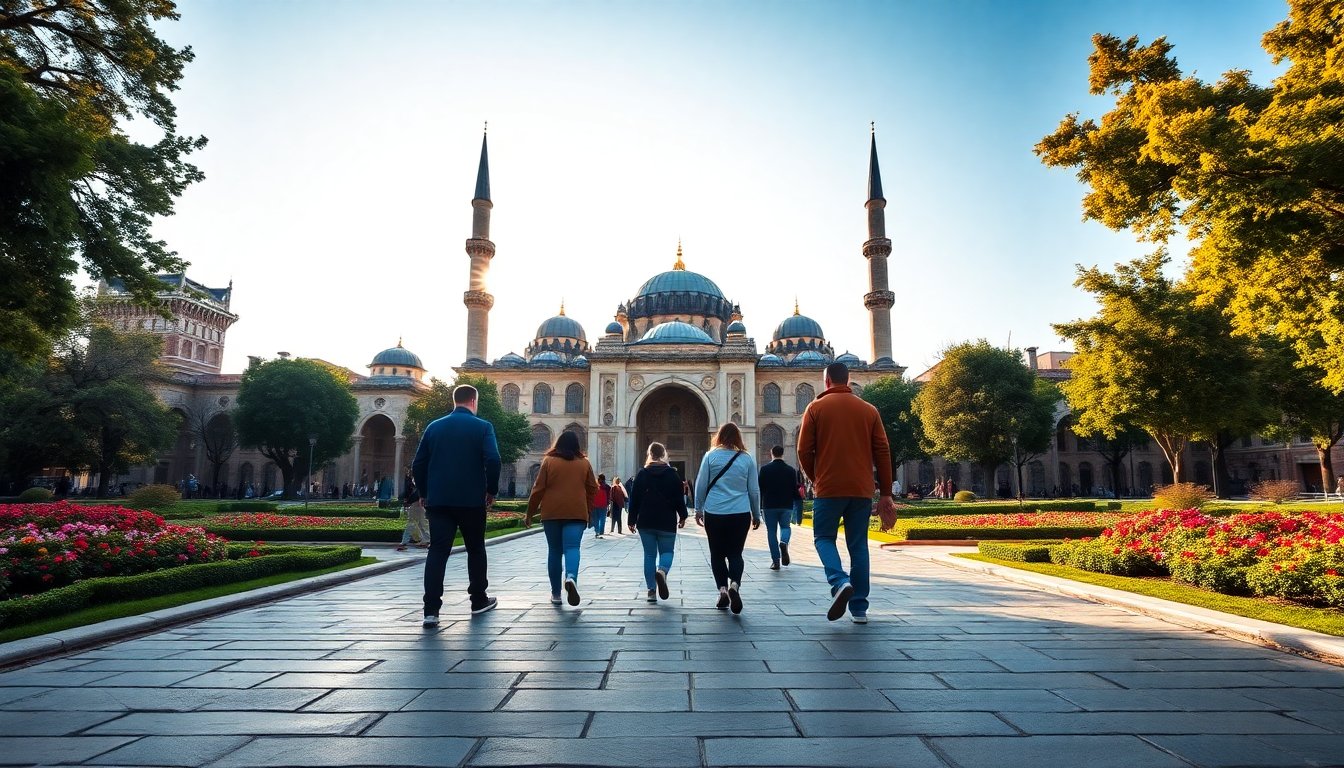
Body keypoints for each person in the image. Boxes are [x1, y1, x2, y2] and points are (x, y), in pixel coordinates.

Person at [798, 361, 896, 624]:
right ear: (849, 379)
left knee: (823, 538)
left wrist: (815, 478)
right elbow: (883, 452)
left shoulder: (815, 407)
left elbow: (803, 451)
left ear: (827, 381)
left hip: (829, 488)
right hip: (861, 490)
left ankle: (839, 581)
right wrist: (886, 492)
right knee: (858, 545)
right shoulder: (869, 410)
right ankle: (860, 608)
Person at [411, 383, 501, 624]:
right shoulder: (483, 427)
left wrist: (424, 491)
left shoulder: (434, 427)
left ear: (455, 400)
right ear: (474, 401)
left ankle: (431, 610)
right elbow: (493, 460)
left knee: (438, 551)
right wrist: (491, 490)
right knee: (475, 549)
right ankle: (478, 600)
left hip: (439, 500)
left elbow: (418, 464)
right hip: (472, 500)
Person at [525, 430, 597, 606]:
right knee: (572, 548)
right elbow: (592, 490)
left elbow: (538, 489)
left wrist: (529, 513)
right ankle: (571, 577)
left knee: (555, 551)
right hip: (576, 512)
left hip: (552, 513)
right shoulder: (584, 463)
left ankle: (556, 594)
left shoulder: (548, 461)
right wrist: (589, 512)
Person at [694, 422, 760, 615]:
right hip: (740, 513)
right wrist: (756, 514)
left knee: (717, 553)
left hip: (715, 513)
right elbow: (754, 491)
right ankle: (735, 585)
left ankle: (722, 590)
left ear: (719, 437)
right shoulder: (747, 459)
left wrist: (698, 509)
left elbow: (701, 484)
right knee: (735, 554)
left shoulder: (710, 456)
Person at [628, 443, 689, 603]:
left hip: (646, 521)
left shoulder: (642, 474)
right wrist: (683, 515)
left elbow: (634, 499)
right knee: (667, 552)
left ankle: (651, 591)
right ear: (664, 454)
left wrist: (631, 519)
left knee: (649, 555)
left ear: (649, 454)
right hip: (667, 520)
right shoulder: (672, 474)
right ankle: (662, 571)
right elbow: (678, 498)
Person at [758, 444, 798, 570]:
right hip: (786, 505)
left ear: (771, 453)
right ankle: (784, 542)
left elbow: (761, 488)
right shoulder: (791, 470)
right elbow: (794, 489)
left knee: (771, 531)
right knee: (786, 527)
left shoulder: (765, 469)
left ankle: (776, 561)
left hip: (769, 505)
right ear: (783, 454)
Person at [396, 469, 429, 552]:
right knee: (420, 522)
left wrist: (408, 501)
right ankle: (426, 540)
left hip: (417, 503)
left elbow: (416, 492)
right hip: (418, 503)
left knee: (415, 522)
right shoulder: (418, 479)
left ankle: (404, 542)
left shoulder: (416, 479)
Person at [592, 474, 610, 538]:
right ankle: (601, 531)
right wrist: (608, 503)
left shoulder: (594, 486)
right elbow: (609, 497)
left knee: (596, 519)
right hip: (603, 505)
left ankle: (597, 531)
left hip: (595, 505)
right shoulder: (607, 487)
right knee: (602, 519)